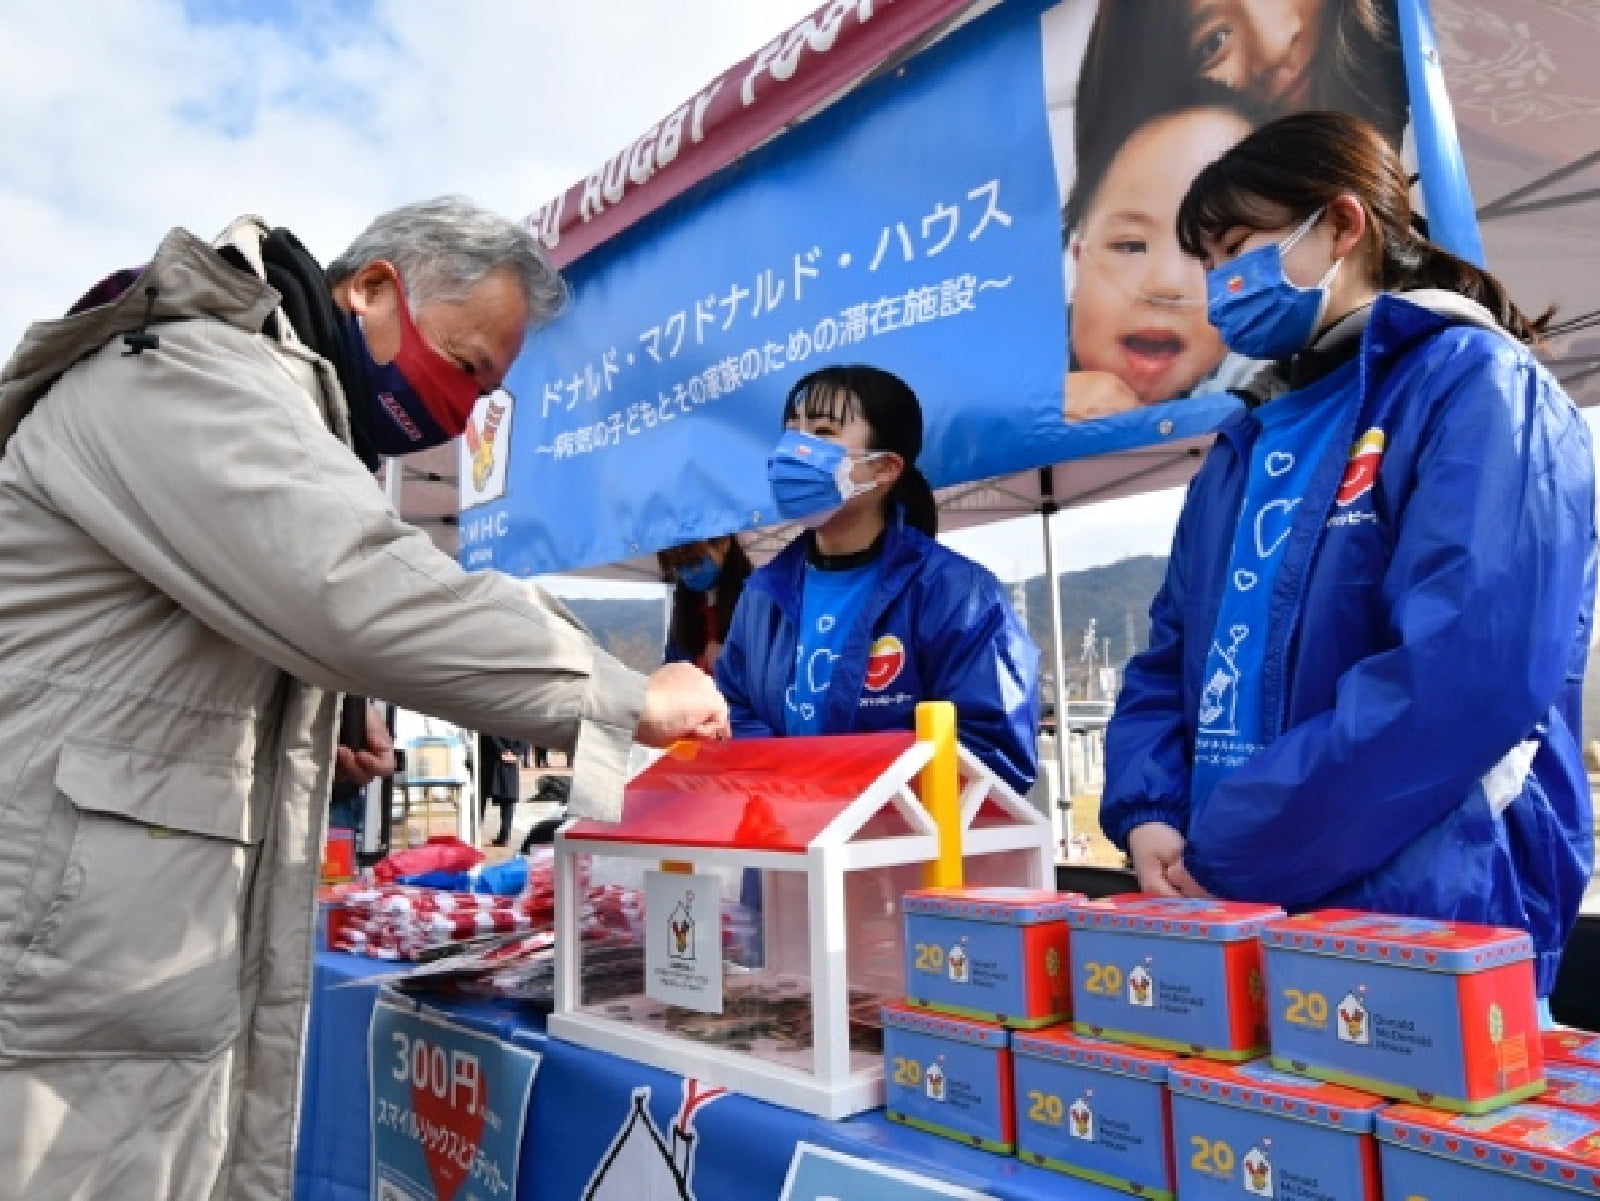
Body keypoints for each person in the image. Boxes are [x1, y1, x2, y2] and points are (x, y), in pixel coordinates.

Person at [0, 195, 728, 1200]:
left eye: (487, 395)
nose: (463, 412)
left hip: (118, 947)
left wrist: (302, 714)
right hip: (60, 955)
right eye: (467, 367)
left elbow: (238, 610)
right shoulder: (191, 370)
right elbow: (351, 583)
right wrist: (619, 689)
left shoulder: (266, 401)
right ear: (374, 287)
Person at [1100, 111, 1597, 1001]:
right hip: (1229, 905)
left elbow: (1462, 675)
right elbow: (1165, 658)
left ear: (1340, 224)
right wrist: (1148, 813)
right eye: (1208, 259)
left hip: (1427, 910)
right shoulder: (1243, 444)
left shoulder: (1476, 385)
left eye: (1238, 244)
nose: (1219, 281)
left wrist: (1239, 838)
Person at [715, 364, 1041, 795]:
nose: (795, 449)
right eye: (791, 429)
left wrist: (842, 789)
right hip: (786, 848)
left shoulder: (958, 593)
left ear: (884, 468)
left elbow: (994, 749)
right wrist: (788, 787)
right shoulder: (760, 595)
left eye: (823, 431)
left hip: (903, 853)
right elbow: (731, 713)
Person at [1063, 83, 1265, 418]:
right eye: (1130, 245)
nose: (1166, 284)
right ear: (1078, 260)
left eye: (1207, 252)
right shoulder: (1011, 386)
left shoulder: (1269, 392)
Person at [658, 534, 754, 673]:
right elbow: (670, 668)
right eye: (678, 565)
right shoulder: (684, 610)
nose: (687, 573)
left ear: (723, 543)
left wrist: (730, 662)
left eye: (694, 562)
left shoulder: (757, 601)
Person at [479, 732, 528, 846]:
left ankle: (501, 836)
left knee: (483, 799)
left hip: (492, 760)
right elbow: (526, 737)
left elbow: (488, 733)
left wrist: (505, 752)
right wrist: (515, 753)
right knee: (506, 800)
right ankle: (503, 836)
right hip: (503, 761)